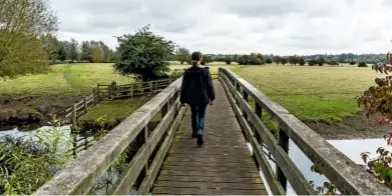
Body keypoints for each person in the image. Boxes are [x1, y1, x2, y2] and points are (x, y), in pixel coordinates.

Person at [180, 51, 215, 147]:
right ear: (201, 59)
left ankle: (194, 132)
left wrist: (182, 99)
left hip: (191, 97)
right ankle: (200, 130)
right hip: (203, 97)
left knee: (194, 114)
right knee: (201, 115)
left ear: (192, 59)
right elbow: (209, 86)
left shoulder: (187, 72)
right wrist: (212, 97)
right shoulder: (205, 71)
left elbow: (184, 86)